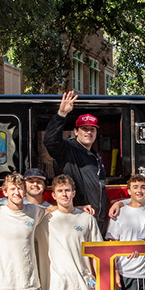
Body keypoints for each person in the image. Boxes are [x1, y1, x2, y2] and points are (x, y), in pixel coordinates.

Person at [46, 91, 110, 230]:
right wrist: (61, 115)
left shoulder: (95, 156)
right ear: (76, 131)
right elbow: (50, 142)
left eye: (92, 129)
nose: (88, 132)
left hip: (96, 220)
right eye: (84, 129)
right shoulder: (68, 150)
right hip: (75, 219)